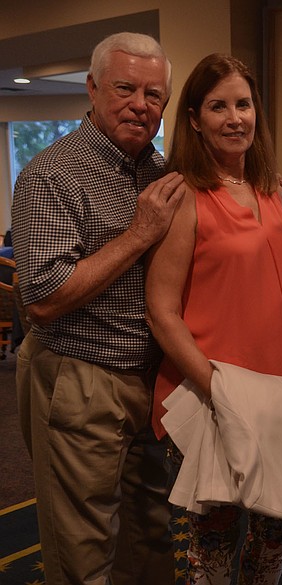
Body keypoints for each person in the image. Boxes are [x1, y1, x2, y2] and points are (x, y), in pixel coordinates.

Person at [11, 32, 184, 584]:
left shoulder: (160, 173)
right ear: (91, 88)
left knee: (148, 541)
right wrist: (139, 234)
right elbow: (42, 299)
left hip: (148, 381)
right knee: (82, 551)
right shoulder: (52, 174)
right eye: (125, 88)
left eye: (154, 95)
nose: (141, 104)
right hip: (79, 377)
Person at [145, 53, 282, 584]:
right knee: (212, 546)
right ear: (194, 118)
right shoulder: (184, 196)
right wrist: (216, 387)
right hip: (211, 392)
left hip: (280, 393)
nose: (235, 117)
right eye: (218, 106)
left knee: (275, 535)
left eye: (243, 104)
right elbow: (161, 311)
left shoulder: (273, 191)